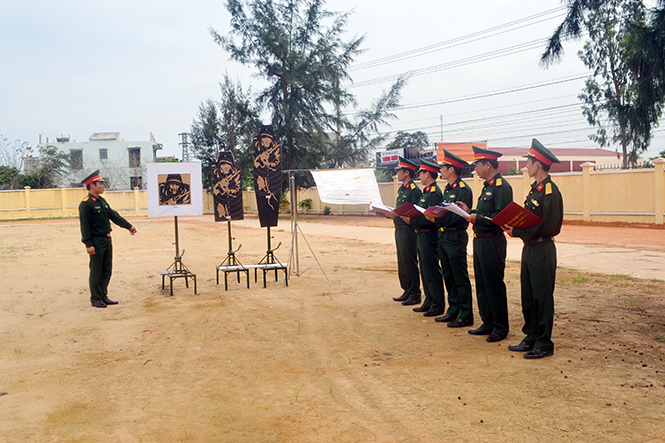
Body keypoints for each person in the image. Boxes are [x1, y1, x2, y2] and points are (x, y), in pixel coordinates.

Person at [504, 139, 563, 359]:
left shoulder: (550, 191)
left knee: (542, 296)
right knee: (528, 295)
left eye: (528, 162)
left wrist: (517, 231)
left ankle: (544, 342)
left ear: (537, 164)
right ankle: (531, 335)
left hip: (542, 249)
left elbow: (547, 225)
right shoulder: (535, 190)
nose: (525, 166)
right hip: (529, 248)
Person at [457, 146, 513, 343]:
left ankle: (500, 326)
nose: (475, 170)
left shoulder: (502, 187)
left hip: (492, 241)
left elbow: (500, 217)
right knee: (481, 284)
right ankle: (487, 322)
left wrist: (476, 217)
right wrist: (469, 210)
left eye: (477, 166)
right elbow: (485, 214)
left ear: (488, 164)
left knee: (493, 284)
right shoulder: (488, 186)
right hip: (480, 241)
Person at [427, 150, 474, 328]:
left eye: (443, 167)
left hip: (455, 234)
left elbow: (459, 216)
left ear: (452, 169)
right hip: (443, 234)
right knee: (448, 274)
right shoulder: (448, 189)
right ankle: (453, 309)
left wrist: (438, 217)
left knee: (459, 275)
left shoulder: (463, 190)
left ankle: (465, 313)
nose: (441, 171)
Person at [79, 170, 137, 308]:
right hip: (96, 241)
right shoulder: (86, 204)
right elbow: (85, 226)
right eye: (101, 184)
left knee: (106, 269)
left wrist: (128, 226)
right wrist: (88, 244)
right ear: (92, 185)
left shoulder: (102, 201)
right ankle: (96, 298)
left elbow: (114, 216)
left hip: (107, 240)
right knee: (96, 270)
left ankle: (103, 295)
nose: (103, 186)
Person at [403, 159, 444, 317]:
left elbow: (429, 217)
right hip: (421, 234)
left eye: (421, 172)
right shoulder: (426, 192)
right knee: (425, 270)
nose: (419, 175)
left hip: (429, 234)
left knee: (431, 270)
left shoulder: (434, 193)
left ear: (428, 174)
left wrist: (412, 220)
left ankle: (437, 304)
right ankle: (429, 300)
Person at [386, 157, 423, 305]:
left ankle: (414, 293)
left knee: (409, 260)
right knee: (402, 261)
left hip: (408, 229)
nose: (398, 174)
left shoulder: (414, 190)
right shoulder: (402, 189)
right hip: (399, 228)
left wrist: (399, 215)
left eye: (399, 171)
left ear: (406, 173)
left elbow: (414, 211)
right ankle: (407, 290)